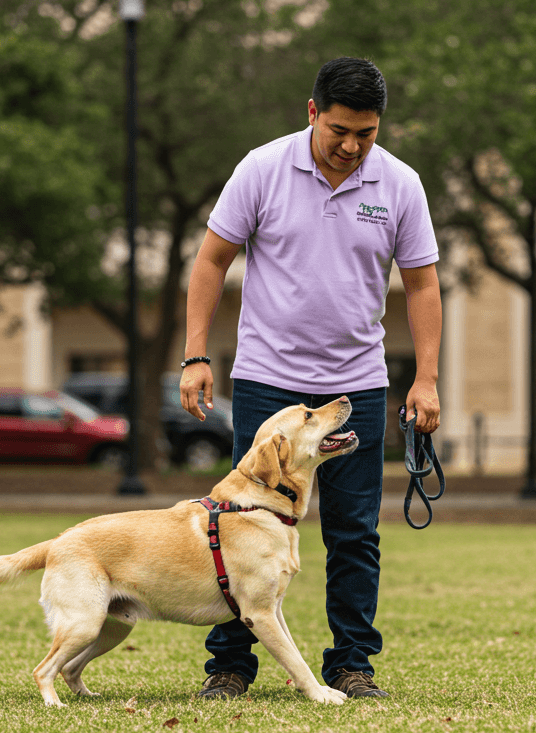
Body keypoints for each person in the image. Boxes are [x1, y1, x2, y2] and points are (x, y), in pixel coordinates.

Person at [179, 57, 442, 700]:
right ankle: (231, 666)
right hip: (269, 383)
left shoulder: (400, 184)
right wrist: (195, 355)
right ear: (312, 113)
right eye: (340, 130)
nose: (352, 146)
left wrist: (426, 377)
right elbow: (212, 259)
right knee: (238, 525)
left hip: (355, 386)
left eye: (368, 133)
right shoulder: (262, 169)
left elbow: (424, 282)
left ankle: (352, 663)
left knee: (354, 532)